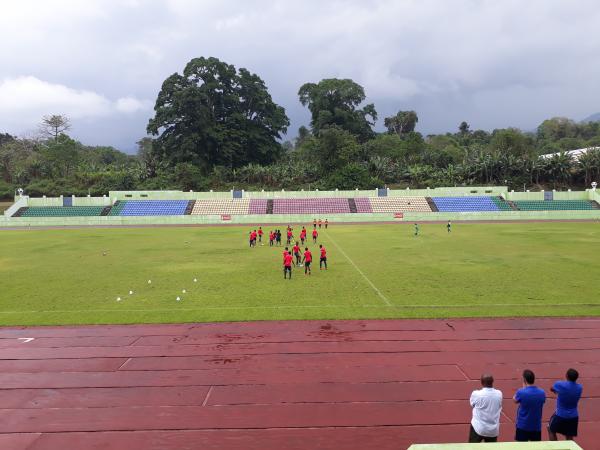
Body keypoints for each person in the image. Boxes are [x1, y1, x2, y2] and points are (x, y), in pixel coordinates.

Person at [548, 368, 582, 441]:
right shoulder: (580, 387)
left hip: (560, 414)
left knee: (550, 429)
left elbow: (552, 388)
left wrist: (557, 392)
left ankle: (555, 447)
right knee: (569, 436)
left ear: (566, 376)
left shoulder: (559, 384)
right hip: (573, 416)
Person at [469, 374, 503, 443]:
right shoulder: (499, 394)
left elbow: (472, 404)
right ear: (492, 382)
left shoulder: (476, 394)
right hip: (493, 430)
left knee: (472, 447)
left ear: (481, 383)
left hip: (478, 428)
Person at [514, 369, 546, 442]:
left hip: (522, 425)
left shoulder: (521, 392)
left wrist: (523, 388)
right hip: (536, 426)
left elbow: (515, 400)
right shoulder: (542, 392)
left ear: (524, 380)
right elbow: (543, 401)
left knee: (521, 446)